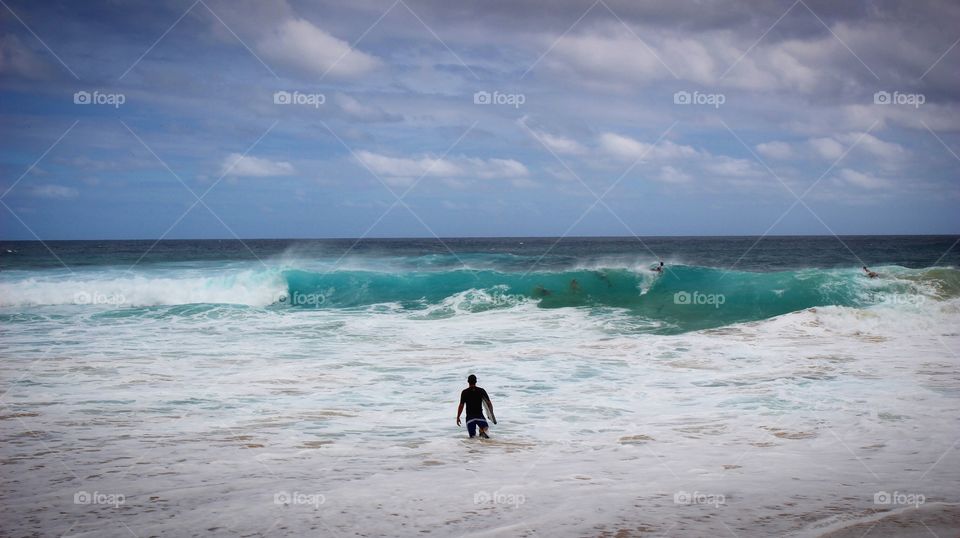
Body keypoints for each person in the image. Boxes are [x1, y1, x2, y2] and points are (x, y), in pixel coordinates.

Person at [456, 374, 495, 439]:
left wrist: (458, 417)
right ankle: (481, 431)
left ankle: (474, 447)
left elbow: (461, 405)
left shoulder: (464, 392)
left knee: (472, 437)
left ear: (468, 382)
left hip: (470, 418)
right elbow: (489, 403)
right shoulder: (481, 391)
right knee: (485, 428)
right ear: (476, 381)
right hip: (479, 416)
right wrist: (491, 414)